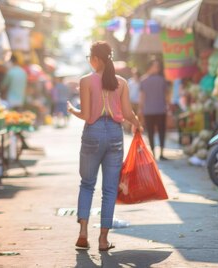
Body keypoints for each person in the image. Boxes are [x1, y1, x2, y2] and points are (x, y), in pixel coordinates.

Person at [67, 41, 142, 252]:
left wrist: (72, 110)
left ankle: (83, 233)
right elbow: (127, 114)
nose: (88, 61)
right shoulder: (122, 82)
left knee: (87, 184)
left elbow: (86, 116)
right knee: (109, 190)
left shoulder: (86, 81)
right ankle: (103, 240)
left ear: (96, 59)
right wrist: (137, 124)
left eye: (89, 57)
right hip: (116, 134)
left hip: (93, 133)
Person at [139, 59, 169, 160]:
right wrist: (140, 109)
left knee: (154, 132)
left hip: (155, 110)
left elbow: (166, 95)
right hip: (156, 110)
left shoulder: (144, 80)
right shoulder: (161, 80)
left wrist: (141, 109)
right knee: (157, 132)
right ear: (150, 67)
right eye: (156, 66)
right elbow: (142, 96)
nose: (158, 68)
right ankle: (156, 153)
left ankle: (158, 153)